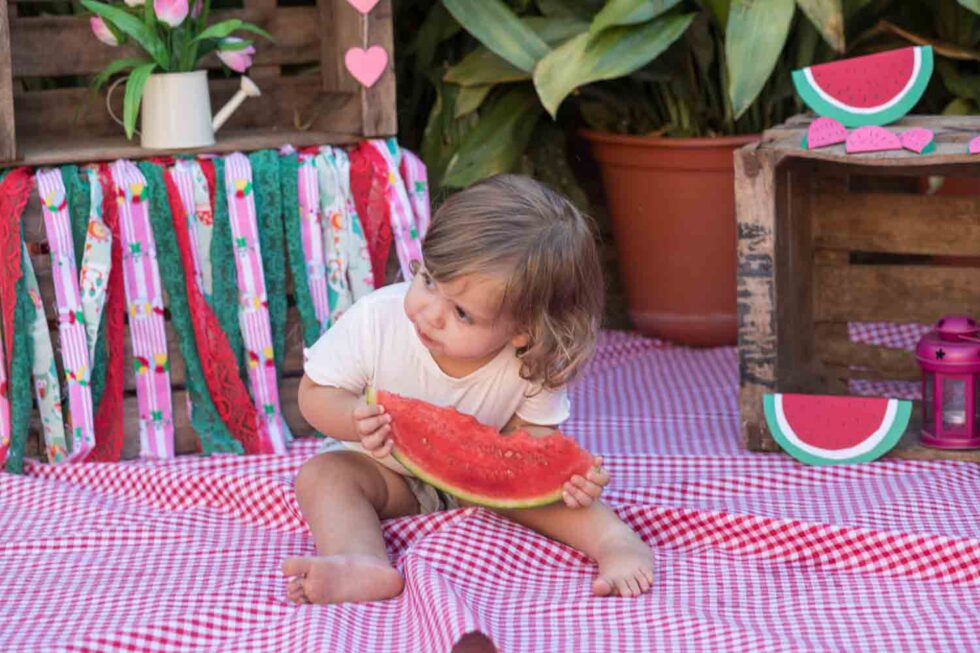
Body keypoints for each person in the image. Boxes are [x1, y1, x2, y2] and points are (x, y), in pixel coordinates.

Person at [283, 174, 653, 605]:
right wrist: (351, 419)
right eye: (428, 280)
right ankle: (361, 560)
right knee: (323, 476)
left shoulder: (532, 363)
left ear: (522, 331)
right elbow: (314, 393)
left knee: (546, 497)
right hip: (383, 473)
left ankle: (614, 541)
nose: (430, 313)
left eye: (461, 313)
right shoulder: (376, 320)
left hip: (483, 484)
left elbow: (531, 442)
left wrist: (566, 480)